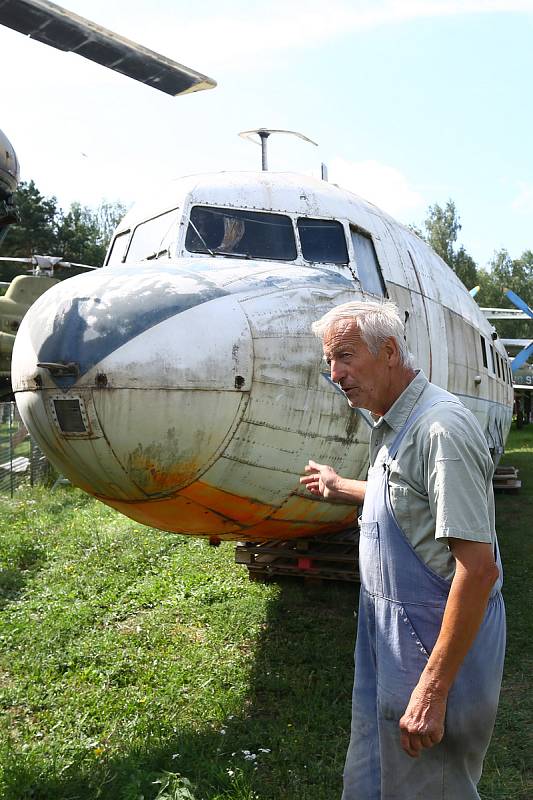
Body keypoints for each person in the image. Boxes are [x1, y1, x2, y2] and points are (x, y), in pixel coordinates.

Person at [300, 300, 505, 800]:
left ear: (389, 351)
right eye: (330, 361)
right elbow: (408, 499)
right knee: (377, 782)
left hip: (432, 650)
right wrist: (339, 485)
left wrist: (433, 692)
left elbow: (478, 571)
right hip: (391, 642)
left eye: (345, 357)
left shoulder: (440, 429)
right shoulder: (395, 420)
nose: (336, 374)